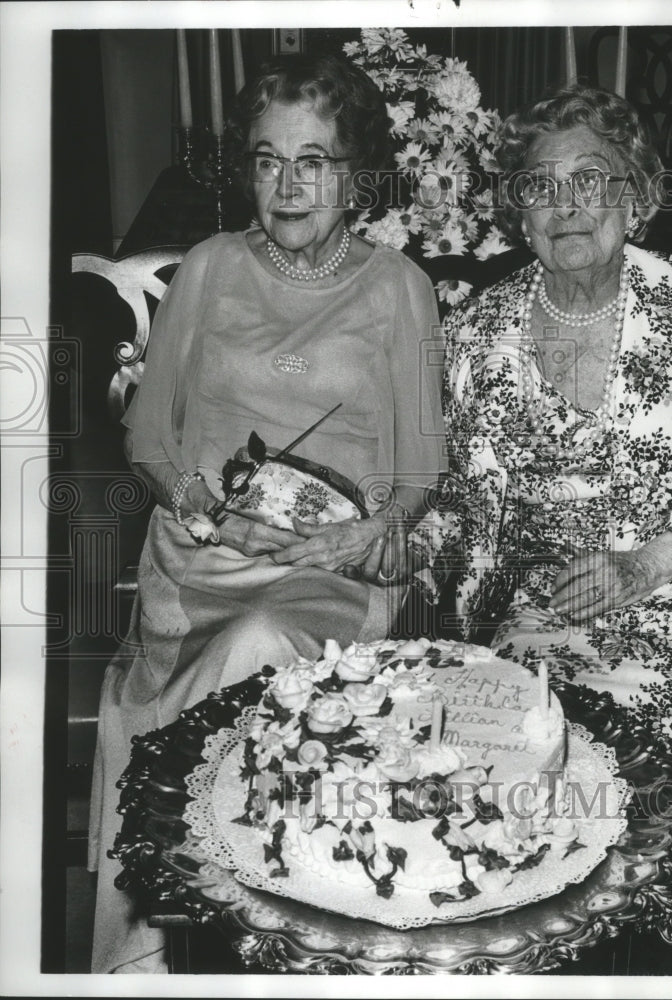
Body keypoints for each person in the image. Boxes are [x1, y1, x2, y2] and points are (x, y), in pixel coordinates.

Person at [88, 54, 445, 973]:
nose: (288, 185)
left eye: (314, 161)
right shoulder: (207, 270)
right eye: (267, 159)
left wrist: (373, 529)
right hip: (199, 557)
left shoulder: (400, 286)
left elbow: (418, 472)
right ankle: (147, 959)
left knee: (256, 643)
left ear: (356, 176)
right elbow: (149, 439)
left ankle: (233, 925)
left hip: (331, 570)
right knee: (179, 685)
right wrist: (197, 502)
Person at [409, 85, 672, 976]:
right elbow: (463, 512)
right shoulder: (475, 333)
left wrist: (654, 558)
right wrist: (404, 546)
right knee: (478, 792)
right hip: (541, 629)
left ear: (632, 195)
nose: (566, 206)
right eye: (540, 184)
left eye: (590, 180)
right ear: (516, 208)